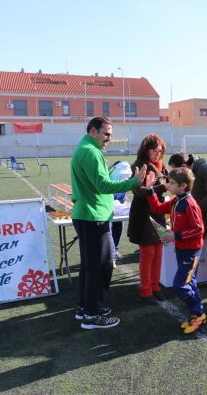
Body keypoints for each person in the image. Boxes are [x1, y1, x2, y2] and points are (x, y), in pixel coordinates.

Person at [71, 116, 147, 330]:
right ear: (93, 131)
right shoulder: (90, 152)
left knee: (90, 265)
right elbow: (103, 185)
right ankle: (92, 315)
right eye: (106, 134)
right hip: (93, 216)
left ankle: (85, 308)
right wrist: (133, 182)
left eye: (110, 135)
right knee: (100, 265)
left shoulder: (85, 148)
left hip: (89, 214)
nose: (109, 139)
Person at [146, 167, 206, 334]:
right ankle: (197, 314)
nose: (168, 185)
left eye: (172, 183)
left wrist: (175, 235)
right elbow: (157, 208)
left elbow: (199, 229)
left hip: (191, 251)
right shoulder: (176, 200)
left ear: (183, 186)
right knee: (190, 283)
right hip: (181, 250)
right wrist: (150, 190)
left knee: (180, 285)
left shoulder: (189, 204)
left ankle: (198, 313)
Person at [169, 153, 207, 289]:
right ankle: (190, 277)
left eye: (178, 171)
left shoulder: (206, 169)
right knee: (194, 248)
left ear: (184, 166)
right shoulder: (192, 172)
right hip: (201, 216)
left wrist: (195, 209)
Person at [127, 134, 170, 305]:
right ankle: (146, 290)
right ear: (146, 149)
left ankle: (155, 287)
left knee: (158, 251)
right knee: (148, 253)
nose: (158, 154)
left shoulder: (162, 166)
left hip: (157, 212)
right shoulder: (138, 166)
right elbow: (139, 191)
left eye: (161, 151)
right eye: (155, 150)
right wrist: (162, 186)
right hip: (143, 214)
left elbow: (166, 185)